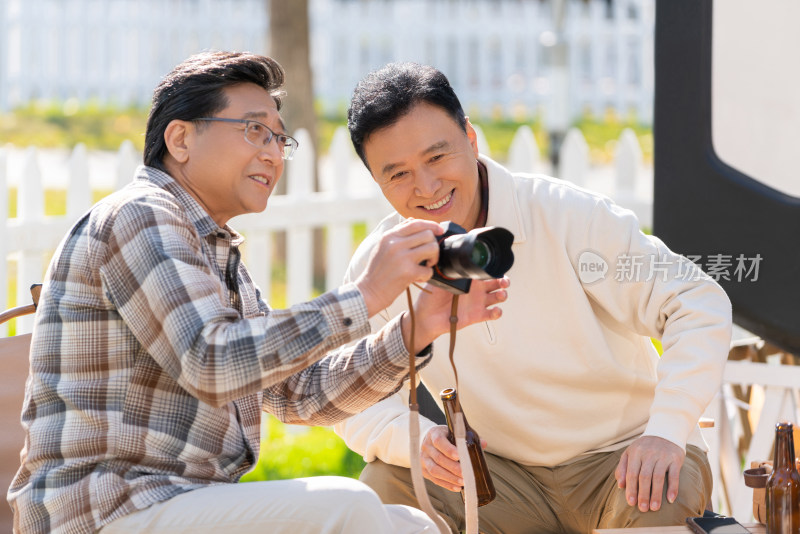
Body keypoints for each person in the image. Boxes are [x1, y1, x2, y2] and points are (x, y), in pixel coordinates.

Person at [6, 52, 510, 534]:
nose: (272, 152)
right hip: (107, 511)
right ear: (180, 139)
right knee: (348, 509)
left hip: (179, 504)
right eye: (254, 130)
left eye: (279, 138)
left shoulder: (214, 252)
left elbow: (300, 395)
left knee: (411, 526)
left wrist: (412, 331)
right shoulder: (141, 217)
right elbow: (211, 362)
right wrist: (365, 296)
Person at [333, 62, 733, 534]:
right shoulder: (384, 262)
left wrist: (667, 432)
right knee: (386, 483)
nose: (426, 187)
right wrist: (408, 440)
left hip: (624, 459)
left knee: (657, 493)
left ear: (471, 137)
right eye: (397, 174)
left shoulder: (566, 214)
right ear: (376, 181)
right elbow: (345, 387)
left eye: (437, 157)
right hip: (501, 478)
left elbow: (696, 301)